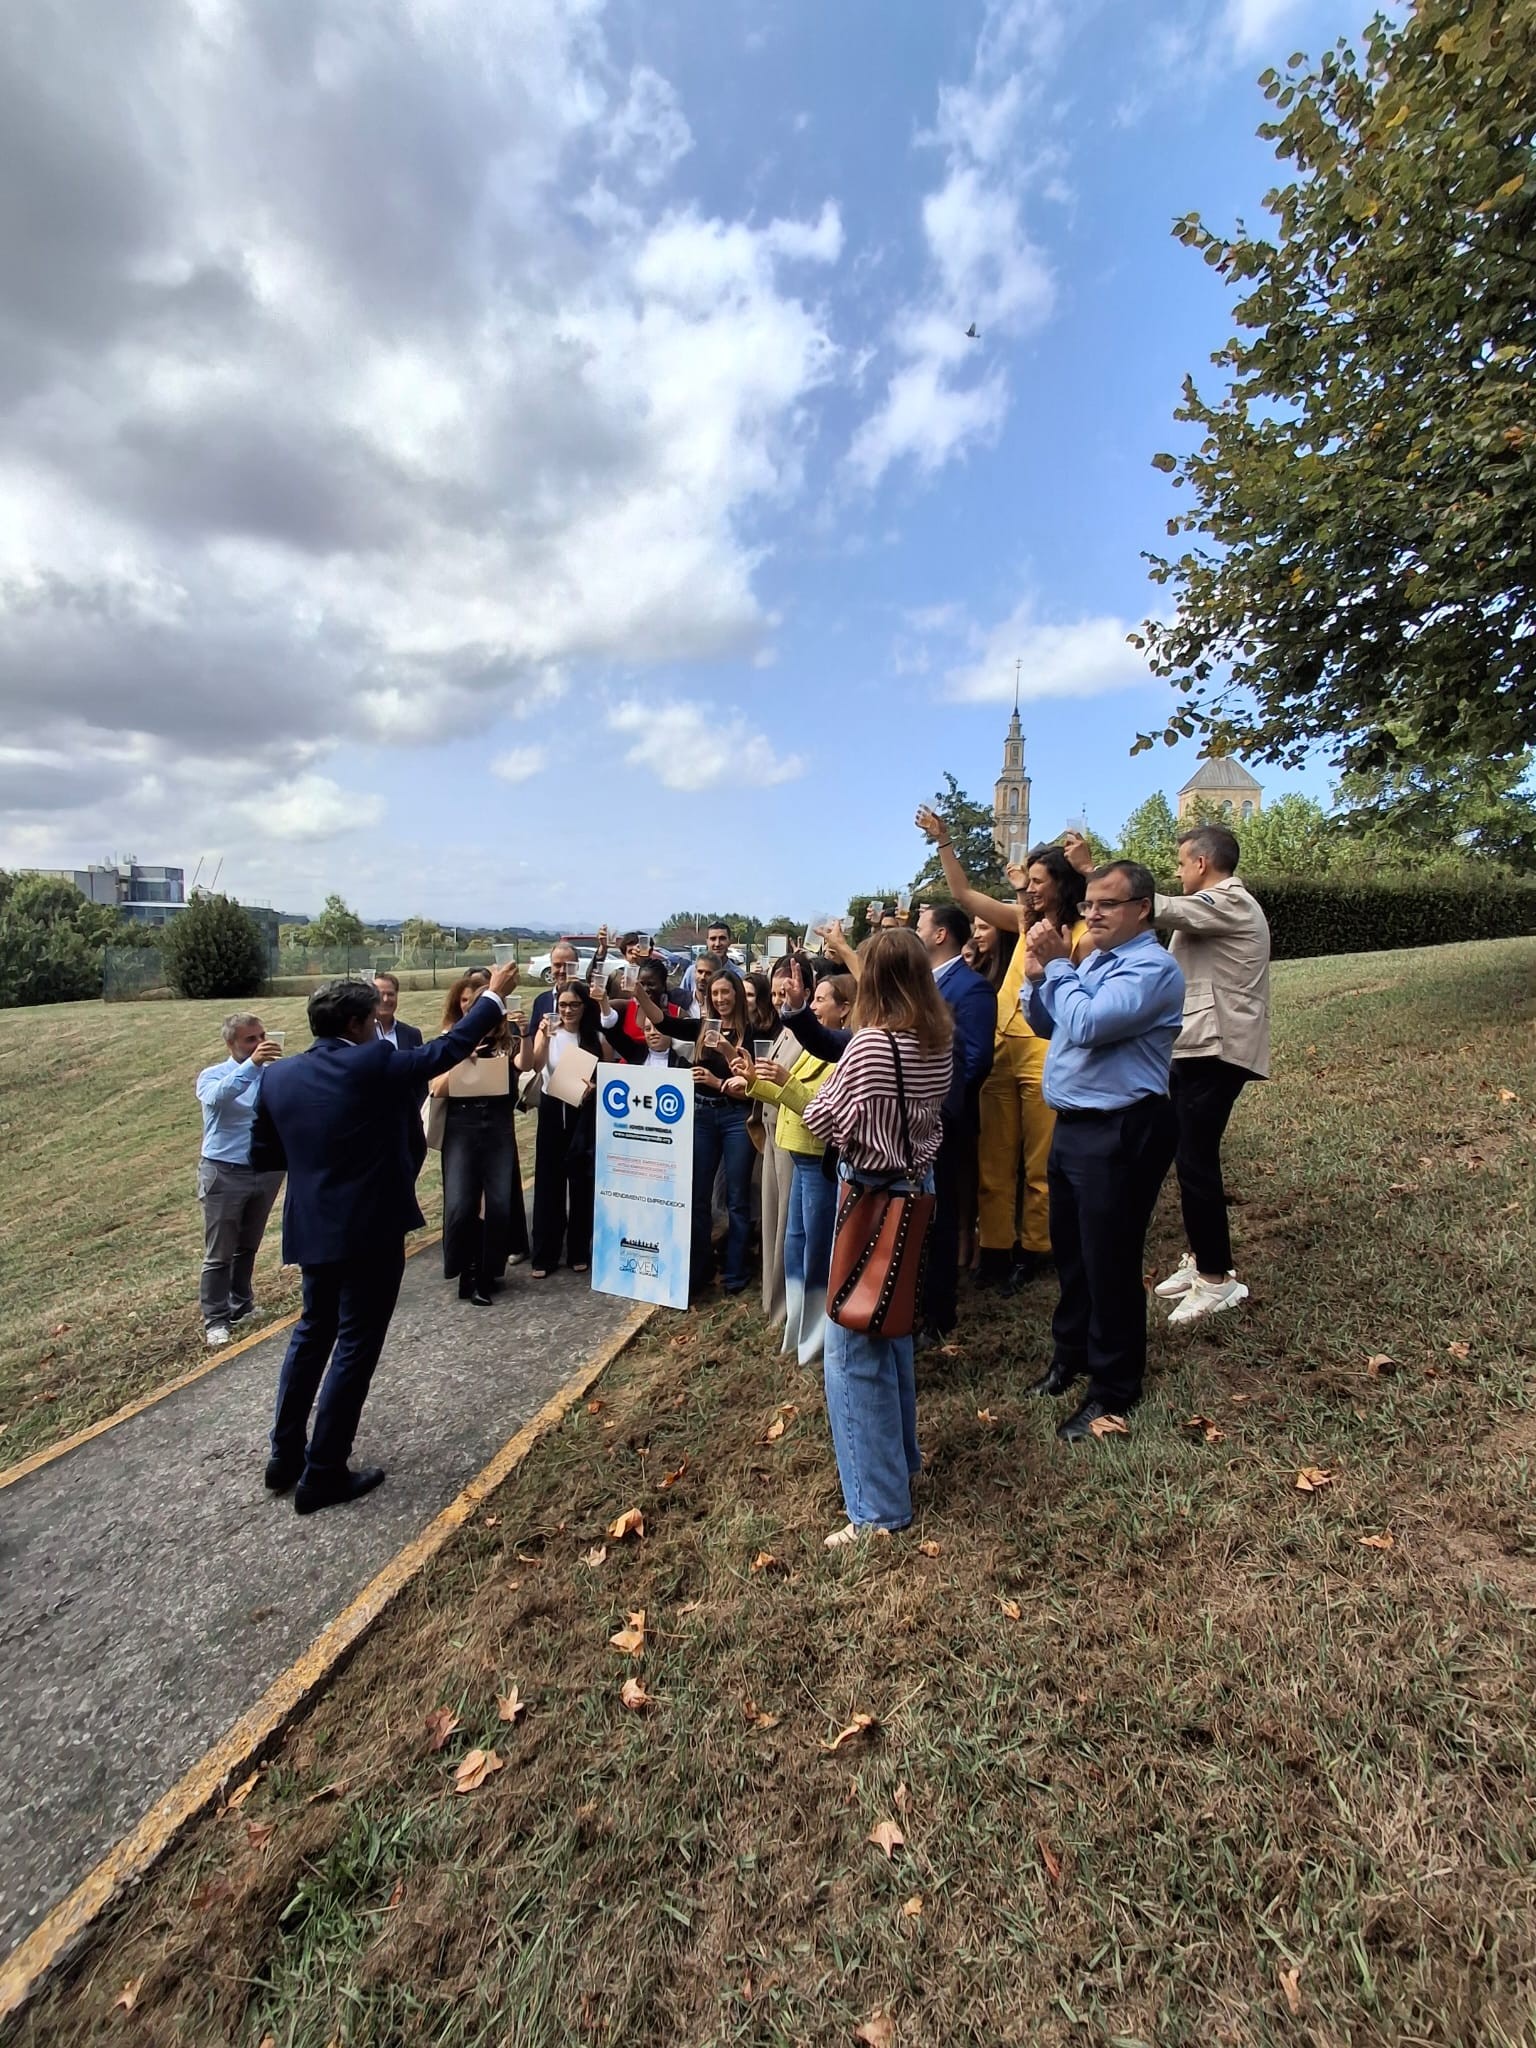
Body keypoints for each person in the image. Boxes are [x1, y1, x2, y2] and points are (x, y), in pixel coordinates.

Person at [249, 963, 520, 1513]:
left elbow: (263, 1155)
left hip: (313, 1226)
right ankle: (323, 1471)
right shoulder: (371, 1060)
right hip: (369, 1226)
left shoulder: (277, 1078)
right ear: (354, 1023)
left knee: (312, 1333)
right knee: (354, 1343)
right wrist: (491, 997)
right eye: (374, 1019)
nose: (380, 1027)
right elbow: (443, 1053)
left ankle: (285, 1454)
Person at [1066, 823, 1272, 1326]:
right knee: (1187, 1157)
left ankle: (1218, 1279)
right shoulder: (1216, 907)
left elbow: (1163, 910)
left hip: (1218, 1048)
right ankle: (1203, 1259)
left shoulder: (1231, 901)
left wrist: (1097, 876)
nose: (1179, 873)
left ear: (1202, 862)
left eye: (1181, 863)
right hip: (1199, 1047)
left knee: (1196, 1159)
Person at [1022, 862, 1186, 1441]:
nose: (1092, 914)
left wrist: (1061, 967)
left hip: (1121, 1127)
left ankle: (1114, 1388)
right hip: (1073, 1126)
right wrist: (1039, 973)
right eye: (1089, 903)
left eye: (1107, 905)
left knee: (1110, 1261)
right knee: (1072, 1253)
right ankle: (1071, 1355)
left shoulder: (1152, 968)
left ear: (1142, 908)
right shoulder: (1091, 962)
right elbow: (1047, 1024)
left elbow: (1089, 1024)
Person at [801, 930, 952, 1546]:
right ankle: (902, 1461)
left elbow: (822, 1117)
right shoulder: (936, 1039)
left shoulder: (870, 1045)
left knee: (853, 1347)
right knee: (891, 1328)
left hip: (866, 1190)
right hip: (915, 1186)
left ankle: (876, 1507)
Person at [915, 808, 1088, 1290]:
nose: (1029, 889)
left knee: (1038, 1164)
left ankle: (1035, 1249)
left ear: (1062, 884)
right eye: (1027, 880)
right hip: (1000, 1049)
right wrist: (944, 841)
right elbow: (964, 895)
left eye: (1038, 880)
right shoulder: (1021, 920)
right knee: (993, 1159)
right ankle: (994, 1249)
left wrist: (1088, 867)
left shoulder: (1081, 932)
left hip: (1043, 1050)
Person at [733, 970, 854, 1365]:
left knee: (818, 1250)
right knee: (795, 1244)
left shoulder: (846, 1055)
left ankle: (817, 1341)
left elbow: (817, 1107)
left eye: (821, 1000)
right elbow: (784, 1094)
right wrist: (753, 1079)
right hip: (796, 1156)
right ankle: (796, 1326)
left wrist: (784, 1082)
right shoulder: (807, 1046)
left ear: (845, 1009)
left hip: (818, 1160)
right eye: (813, 999)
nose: (813, 1007)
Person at [637, 967, 756, 1295]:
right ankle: (698, 1271)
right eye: (715, 994)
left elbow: (752, 1084)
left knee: (736, 1199)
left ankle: (735, 1272)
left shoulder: (751, 1031)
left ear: (736, 995)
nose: (720, 999)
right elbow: (662, 1021)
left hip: (736, 1118)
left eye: (726, 993)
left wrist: (720, 1070)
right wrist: (637, 991)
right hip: (702, 1116)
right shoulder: (702, 1027)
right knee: (697, 1196)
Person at [912, 901, 995, 1347]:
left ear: (941, 934)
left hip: (943, 1121)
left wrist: (936, 1102)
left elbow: (977, 1058)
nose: (915, 929)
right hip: (910, 1125)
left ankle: (939, 1314)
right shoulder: (920, 987)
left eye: (920, 924)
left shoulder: (972, 989)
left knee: (939, 1218)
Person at [427, 971, 529, 1306]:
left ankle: (485, 1274)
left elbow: (524, 1068)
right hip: (462, 1127)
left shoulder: (506, 1040)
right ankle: (466, 1270)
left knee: (497, 1203)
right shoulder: (452, 1040)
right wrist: (462, 1059)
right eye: (468, 1005)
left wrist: (524, 1036)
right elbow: (435, 1088)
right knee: (460, 1203)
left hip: (497, 1126)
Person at [195, 1014, 286, 1347]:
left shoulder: (272, 1075)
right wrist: (252, 1065)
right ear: (230, 1043)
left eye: (262, 1036)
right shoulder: (213, 1076)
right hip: (224, 1171)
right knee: (219, 1251)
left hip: (265, 1169)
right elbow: (219, 1097)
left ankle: (242, 1304)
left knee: (247, 1245)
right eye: (250, 1039)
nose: (259, 1043)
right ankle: (215, 1319)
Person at [518, 980, 619, 1278]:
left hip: (582, 1112)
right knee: (548, 1183)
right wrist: (543, 1038)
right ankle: (544, 1254)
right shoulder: (550, 1033)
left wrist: (595, 1086)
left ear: (584, 1006)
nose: (568, 1010)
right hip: (552, 1108)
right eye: (563, 1005)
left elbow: (609, 1073)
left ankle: (578, 1249)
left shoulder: (595, 1037)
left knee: (581, 1183)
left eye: (574, 1004)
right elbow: (534, 1066)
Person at [680, 922, 733, 1003]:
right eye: (713, 939)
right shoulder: (691, 972)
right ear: (707, 942)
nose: (717, 944)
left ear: (729, 941)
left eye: (722, 938)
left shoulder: (738, 975)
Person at [372, 973, 422, 1052]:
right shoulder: (359, 1034)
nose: (385, 999)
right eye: (380, 994)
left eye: (390, 994)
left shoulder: (412, 1034)